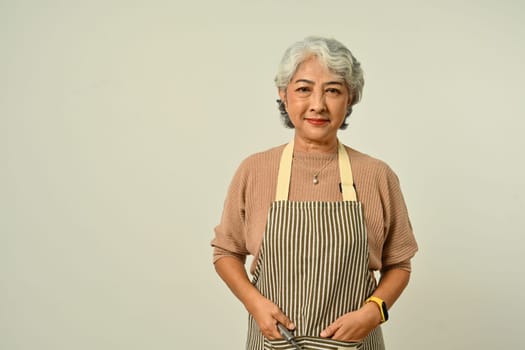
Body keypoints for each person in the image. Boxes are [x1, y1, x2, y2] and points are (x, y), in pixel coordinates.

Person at [211, 36, 418, 350]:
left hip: (355, 344)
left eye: (333, 90)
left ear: (350, 98)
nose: (318, 104)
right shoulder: (254, 170)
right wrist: (254, 304)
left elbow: (399, 264)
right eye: (304, 89)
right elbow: (226, 252)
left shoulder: (377, 175)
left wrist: (373, 312)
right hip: (274, 342)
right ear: (283, 94)